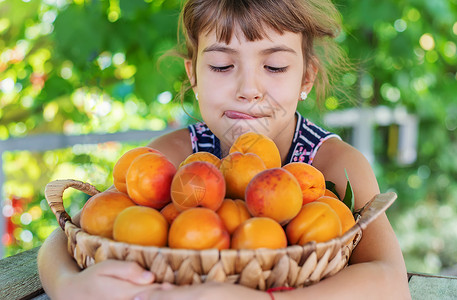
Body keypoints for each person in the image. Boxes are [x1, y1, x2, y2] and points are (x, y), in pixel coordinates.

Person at [37, 0, 411, 299]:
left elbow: (391, 283)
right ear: (193, 76)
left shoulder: (333, 164)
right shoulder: (173, 157)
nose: (248, 88)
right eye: (221, 65)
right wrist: (70, 286)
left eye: (276, 66)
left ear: (306, 77)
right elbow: (77, 229)